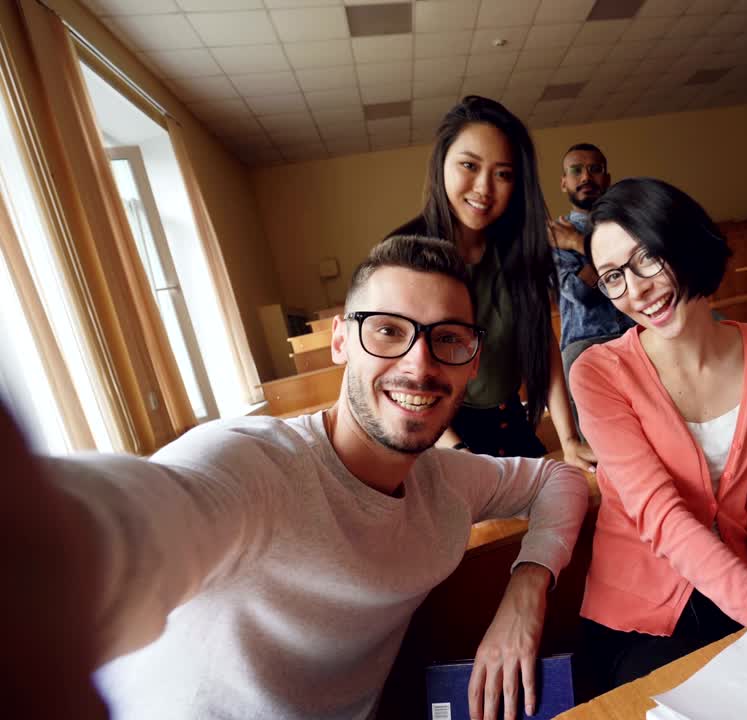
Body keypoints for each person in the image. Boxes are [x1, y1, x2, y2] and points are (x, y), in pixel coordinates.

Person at [22, 237, 589, 720]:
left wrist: (526, 590)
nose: (420, 364)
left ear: (472, 360)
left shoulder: (447, 480)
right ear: (341, 339)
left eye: (447, 339)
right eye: (389, 331)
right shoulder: (252, 465)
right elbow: (137, 522)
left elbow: (558, 479)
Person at [569, 178, 747, 693]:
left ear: (683, 240)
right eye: (613, 277)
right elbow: (662, 517)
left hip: (741, 595)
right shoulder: (598, 373)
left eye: (647, 258)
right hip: (637, 620)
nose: (636, 290)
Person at [390, 96, 594, 470]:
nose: (484, 188)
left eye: (503, 174)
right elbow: (400, 372)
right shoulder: (405, 258)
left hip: (508, 421)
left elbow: (541, 343)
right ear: (441, 164)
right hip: (437, 434)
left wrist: (569, 439)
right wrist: (457, 454)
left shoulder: (519, 249)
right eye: (469, 165)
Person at [547, 143, 634, 380]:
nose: (586, 176)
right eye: (576, 170)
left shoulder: (629, 224)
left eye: (595, 169)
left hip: (638, 332)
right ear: (564, 182)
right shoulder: (554, 234)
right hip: (586, 344)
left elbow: (638, 270)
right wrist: (615, 260)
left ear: (606, 179)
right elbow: (580, 292)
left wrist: (577, 244)